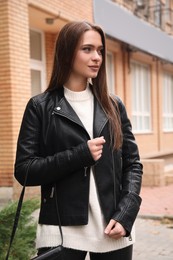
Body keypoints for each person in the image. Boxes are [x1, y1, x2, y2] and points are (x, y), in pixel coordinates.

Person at [14, 21, 143, 260]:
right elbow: (25, 171)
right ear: (66, 52)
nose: (97, 57)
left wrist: (127, 212)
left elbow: (133, 164)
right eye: (87, 49)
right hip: (62, 230)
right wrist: (79, 155)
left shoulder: (113, 106)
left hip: (113, 227)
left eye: (100, 50)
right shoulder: (40, 107)